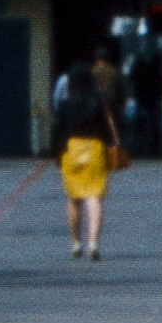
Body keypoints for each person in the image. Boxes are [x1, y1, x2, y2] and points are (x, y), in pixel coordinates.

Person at [50, 43, 124, 260]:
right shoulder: (98, 102)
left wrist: (57, 154)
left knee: (73, 198)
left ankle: (75, 243)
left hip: (71, 149)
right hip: (94, 149)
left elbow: (58, 131)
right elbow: (106, 130)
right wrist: (113, 145)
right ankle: (93, 243)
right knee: (94, 197)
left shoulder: (64, 104)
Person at [126, 40, 162, 163]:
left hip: (142, 99)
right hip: (155, 100)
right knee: (155, 123)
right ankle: (155, 146)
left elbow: (132, 81)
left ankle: (139, 144)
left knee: (140, 120)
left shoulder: (140, 70)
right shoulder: (159, 72)